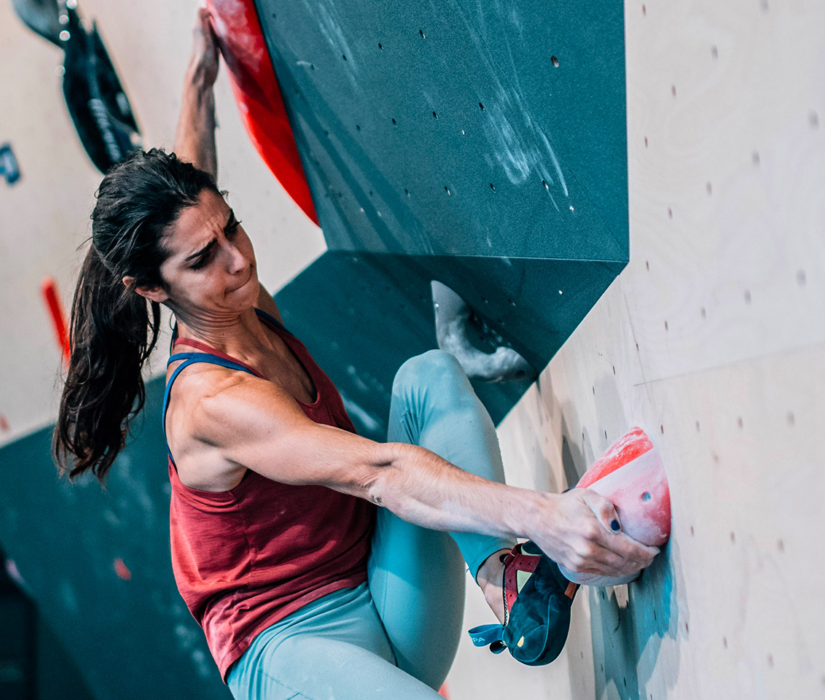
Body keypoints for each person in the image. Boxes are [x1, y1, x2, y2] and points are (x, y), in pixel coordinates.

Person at [54, 9, 658, 699]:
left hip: (389, 592)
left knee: (427, 377)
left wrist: (199, 80)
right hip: (294, 650)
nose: (238, 259)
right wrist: (542, 515)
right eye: (205, 258)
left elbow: (193, 193)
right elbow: (378, 473)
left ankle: (505, 579)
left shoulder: (237, 299)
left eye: (234, 228)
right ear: (151, 290)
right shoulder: (210, 403)